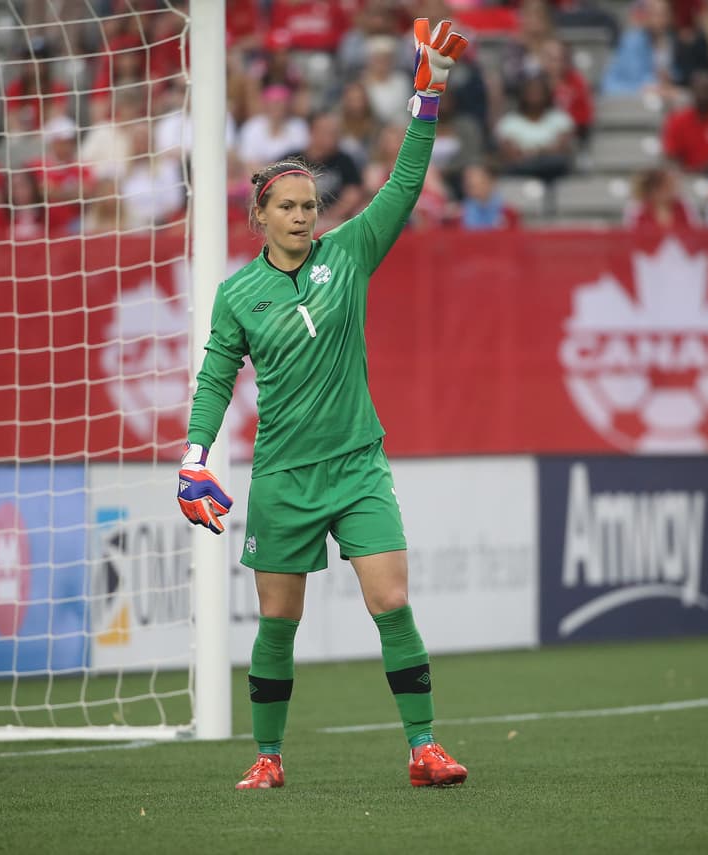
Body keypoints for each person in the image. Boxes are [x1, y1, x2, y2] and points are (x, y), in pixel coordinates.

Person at [176, 18, 472, 792]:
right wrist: (194, 457)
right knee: (279, 622)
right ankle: (268, 756)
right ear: (261, 216)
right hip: (283, 475)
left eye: (311, 204)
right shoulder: (238, 294)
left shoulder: (349, 253)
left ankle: (424, 747)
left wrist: (428, 94)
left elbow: (402, 186)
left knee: (391, 599)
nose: (305, 215)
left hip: (357, 464)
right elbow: (216, 377)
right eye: (290, 206)